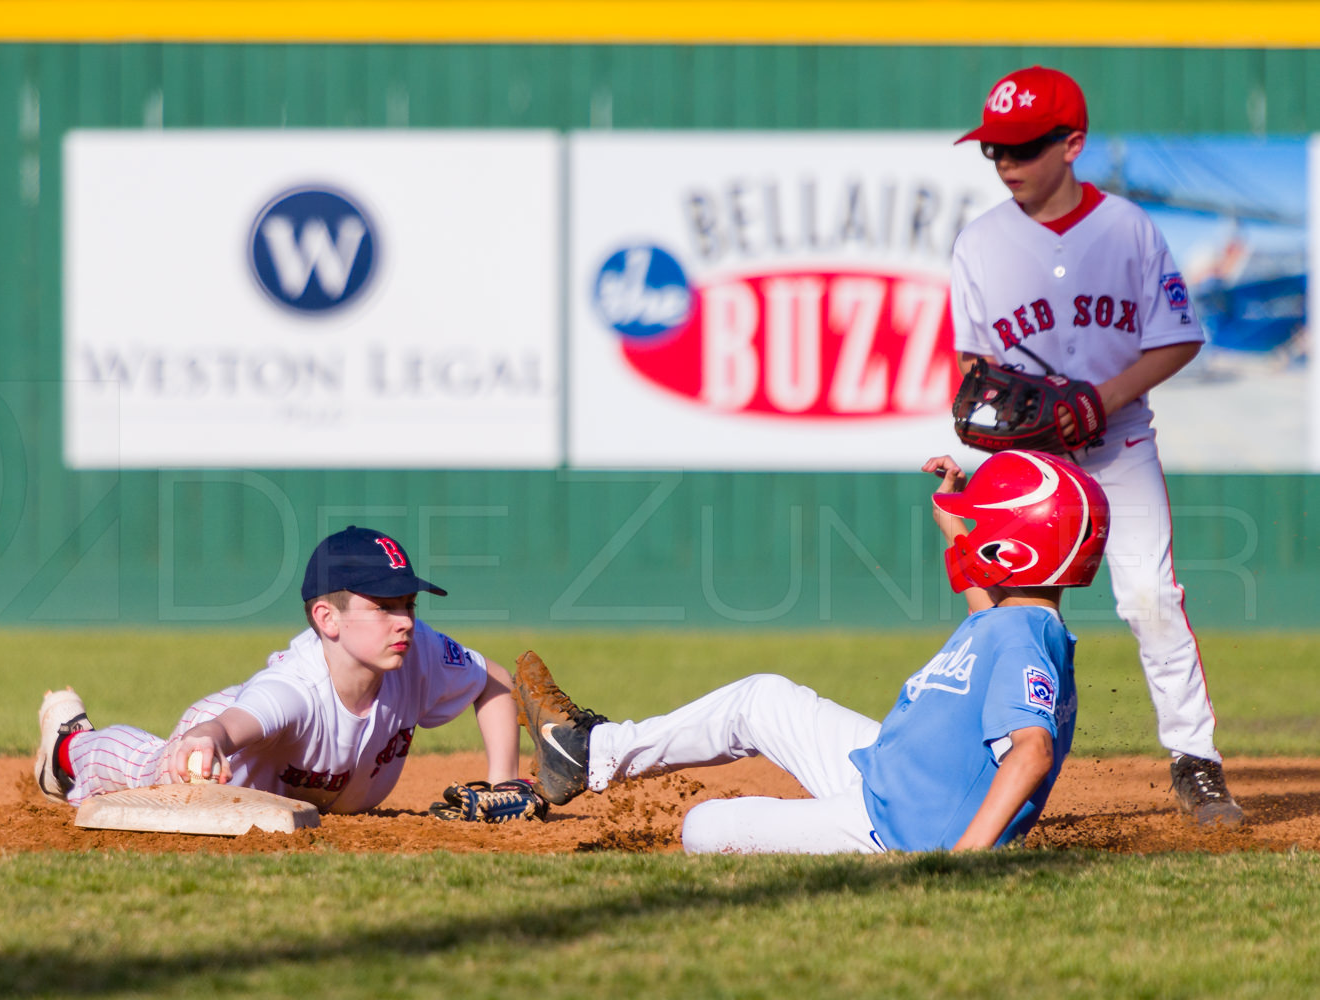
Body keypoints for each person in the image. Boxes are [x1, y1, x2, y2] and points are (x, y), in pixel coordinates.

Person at [515, 449, 1109, 854]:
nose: (970, 531)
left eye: (982, 527)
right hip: (887, 771)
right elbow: (984, 606)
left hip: (893, 828)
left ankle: (599, 758)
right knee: (761, 697)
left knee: (702, 829)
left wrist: (961, 861)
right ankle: (591, 754)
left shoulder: (1026, 639)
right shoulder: (1014, 621)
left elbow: (1031, 752)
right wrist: (954, 523)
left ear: (1012, 553)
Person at [948, 65, 1242, 826]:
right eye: (994, 150)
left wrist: (1097, 399)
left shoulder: (1129, 230)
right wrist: (988, 426)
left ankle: (1195, 760)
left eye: (1022, 147)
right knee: (1009, 607)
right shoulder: (979, 244)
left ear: (1072, 143)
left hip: (1119, 444)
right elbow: (971, 370)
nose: (1006, 162)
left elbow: (1178, 338)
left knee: (1147, 596)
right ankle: (997, 759)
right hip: (1028, 460)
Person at [33, 526, 520, 813]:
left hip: (294, 781)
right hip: (224, 749)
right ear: (326, 619)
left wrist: (505, 783)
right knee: (157, 772)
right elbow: (227, 726)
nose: (404, 621)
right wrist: (205, 741)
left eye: (409, 605)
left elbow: (493, 680)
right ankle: (68, 748)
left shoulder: (419, 653)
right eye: (383, 606)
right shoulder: (296, 688)